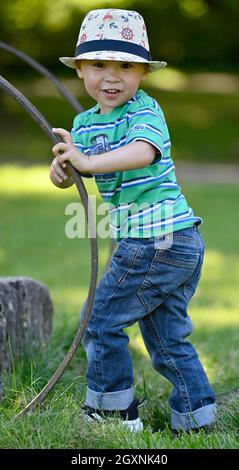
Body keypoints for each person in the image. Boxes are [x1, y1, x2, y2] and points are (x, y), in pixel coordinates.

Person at [50, 8, 216, 433]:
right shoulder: (84, 124)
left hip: (159, 238)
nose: (112, 76)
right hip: (166, 242)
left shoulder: (145, 110)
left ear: (143, 73)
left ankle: (112, 413)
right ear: (81, 69)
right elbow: (81, 173)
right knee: (165, 338)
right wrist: (66, 169)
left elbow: (143, 152)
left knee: (100, 320)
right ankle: (195, 417)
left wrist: (87, 160)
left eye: (126, 65)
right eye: (99, 64)